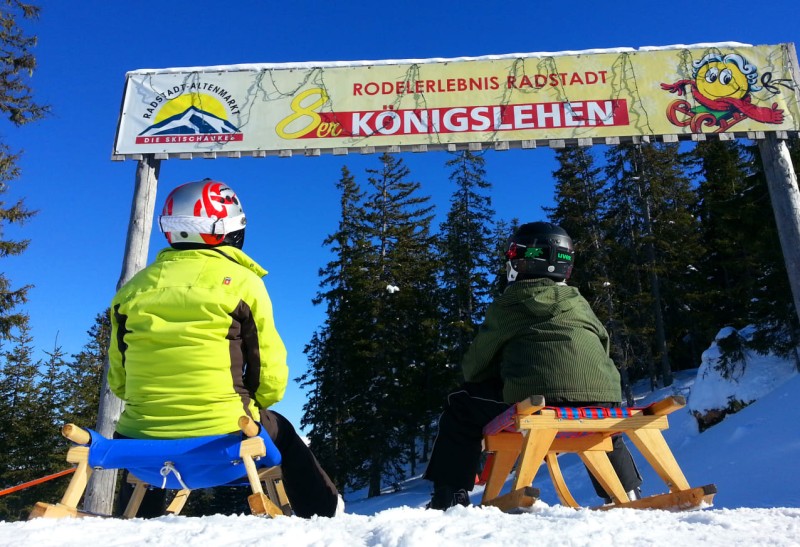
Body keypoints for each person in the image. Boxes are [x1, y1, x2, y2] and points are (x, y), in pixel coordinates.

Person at [108, 179, 342, 518]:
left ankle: (137, 521)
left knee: (142, 436)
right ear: (230, 230)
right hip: (227, 434)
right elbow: (269, 373)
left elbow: (119, 379)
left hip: (138, 444)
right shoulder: (244, 283)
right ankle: (324, 514)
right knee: (285, 433)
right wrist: (253, 405)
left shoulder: (131, 290)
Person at [423, 221, 642, 509]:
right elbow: (603, 344)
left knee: (460, 404)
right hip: (603, 398)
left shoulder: (511, 303)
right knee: (600, 419)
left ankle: (449, 495)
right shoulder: (579, 303)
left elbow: (475, 366)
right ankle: (627, 493)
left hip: (538, 400)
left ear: (523, 260)